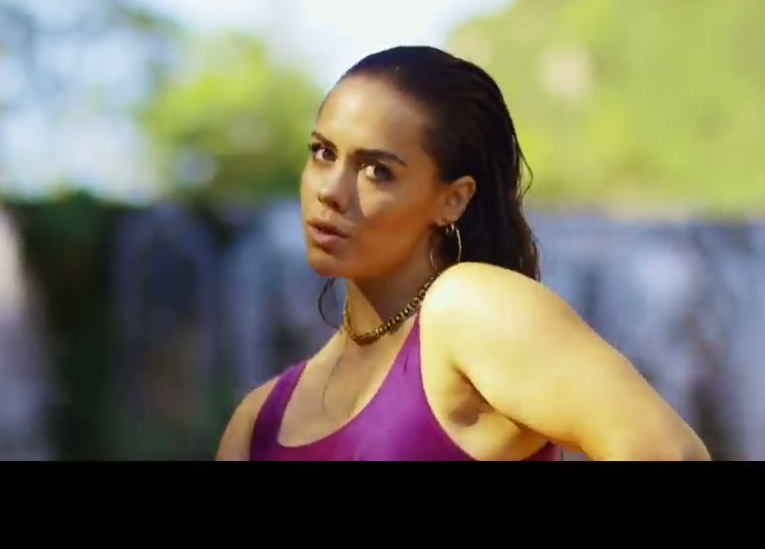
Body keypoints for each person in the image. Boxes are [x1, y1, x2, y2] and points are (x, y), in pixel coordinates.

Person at [215, 46, 710, 461]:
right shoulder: (256, 422)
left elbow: (668, 452)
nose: (330, 191)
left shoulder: (467, 309)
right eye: (324, 153)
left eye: (378, 171)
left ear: (452, 199)